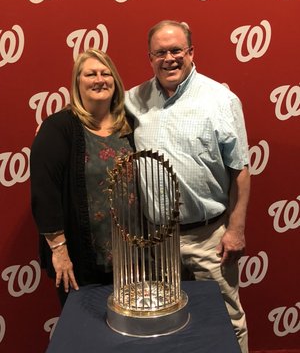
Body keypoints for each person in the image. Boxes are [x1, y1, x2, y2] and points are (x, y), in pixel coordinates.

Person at [125, 20, 250, 353]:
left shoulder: (220, 99)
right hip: (157, 242)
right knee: (168, 325)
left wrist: (235, 230)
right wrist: (56, 128)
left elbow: (240, 170)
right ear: (150, 57)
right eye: (160, 52)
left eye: (177, 50)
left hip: (209, 238)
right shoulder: (133, 100)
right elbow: (92, 114)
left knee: (227, 322)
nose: (169, 59)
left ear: (191, 52)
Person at [30, 48, 133, 306]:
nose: (99, 79)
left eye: (105, 73)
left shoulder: (130, 124)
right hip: (81, 259)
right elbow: (45, 193)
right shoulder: (59, 127)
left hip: (132, 259)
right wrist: (59, 251)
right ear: (77, 82)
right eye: (90, 74)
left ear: (115, 81)